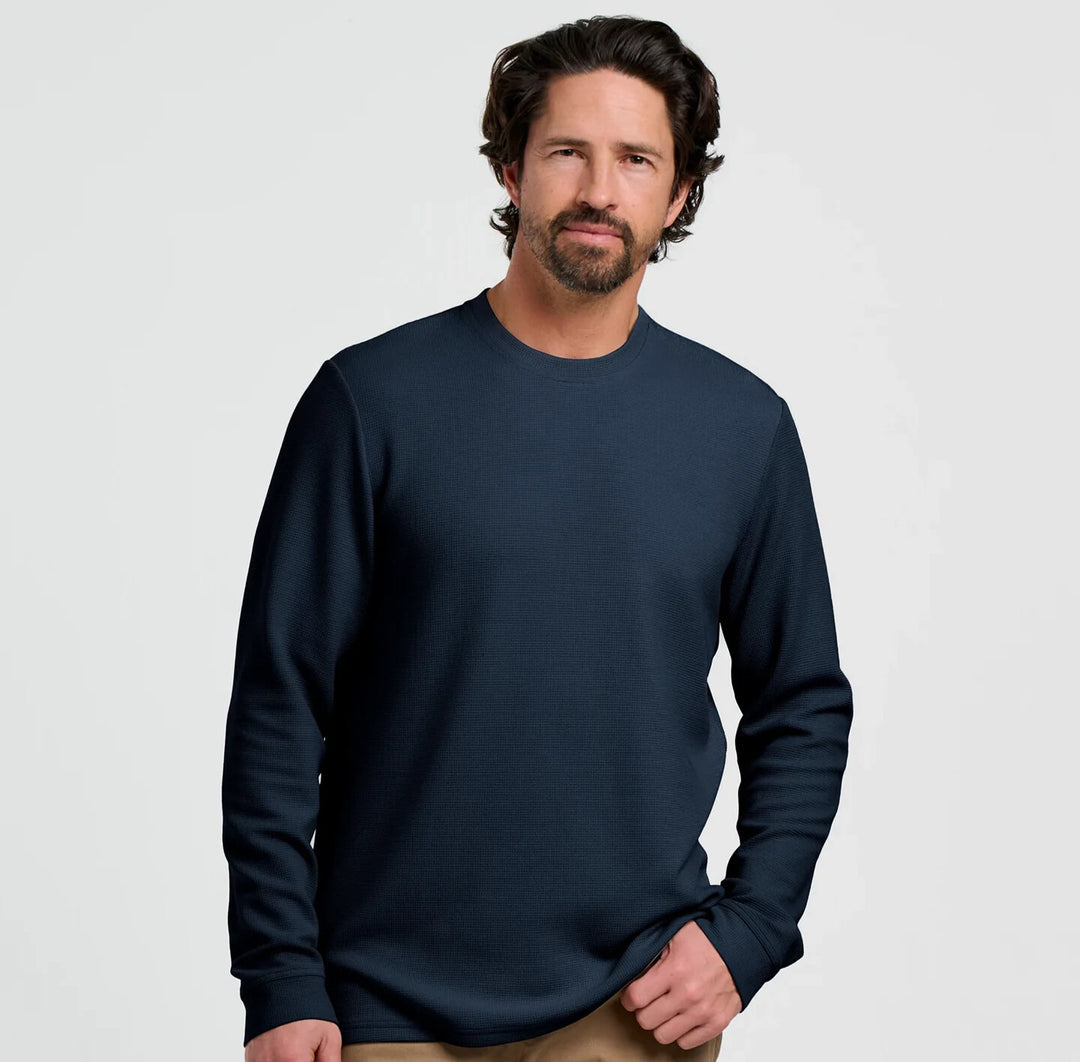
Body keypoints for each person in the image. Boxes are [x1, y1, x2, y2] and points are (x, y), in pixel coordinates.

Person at [221, 15, 854, 1062]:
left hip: (632, 1008)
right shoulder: (370, 402)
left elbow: (802, 703)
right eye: (568, 151)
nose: (599, 189)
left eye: (637, 159)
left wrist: (750, 932)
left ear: (679, 195)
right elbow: (279, 706)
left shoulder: (741, 427)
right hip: (380, 1008)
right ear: (512, 170)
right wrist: (279, 977)